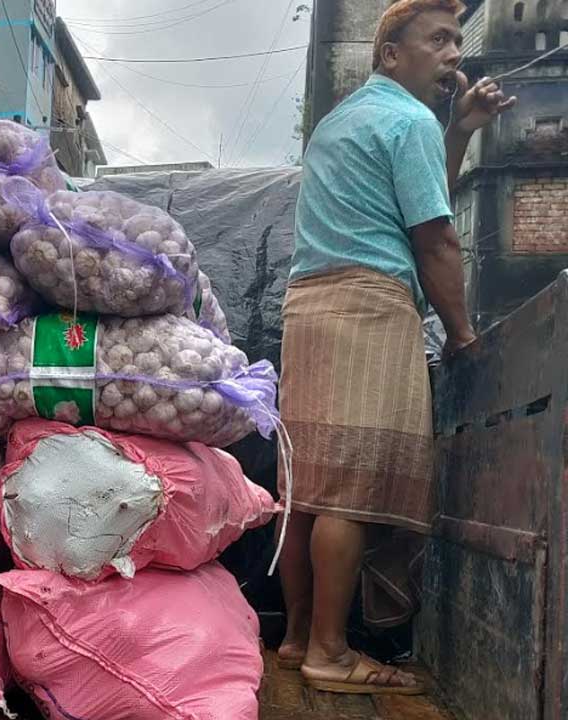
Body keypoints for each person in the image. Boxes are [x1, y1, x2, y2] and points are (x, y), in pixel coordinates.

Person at [275, 0, 516, 695]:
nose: (454, 54)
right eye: (437, 40)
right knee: (349, 488)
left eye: (457, 40)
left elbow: (418, 192)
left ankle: (296, 639)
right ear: (389, 54)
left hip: (309, 307)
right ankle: (331, 653)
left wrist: (460, 127)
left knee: (307, 489)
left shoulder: (342, 121)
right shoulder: (408, 121)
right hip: (368, 306)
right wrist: (463, 334)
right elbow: (434, 235)